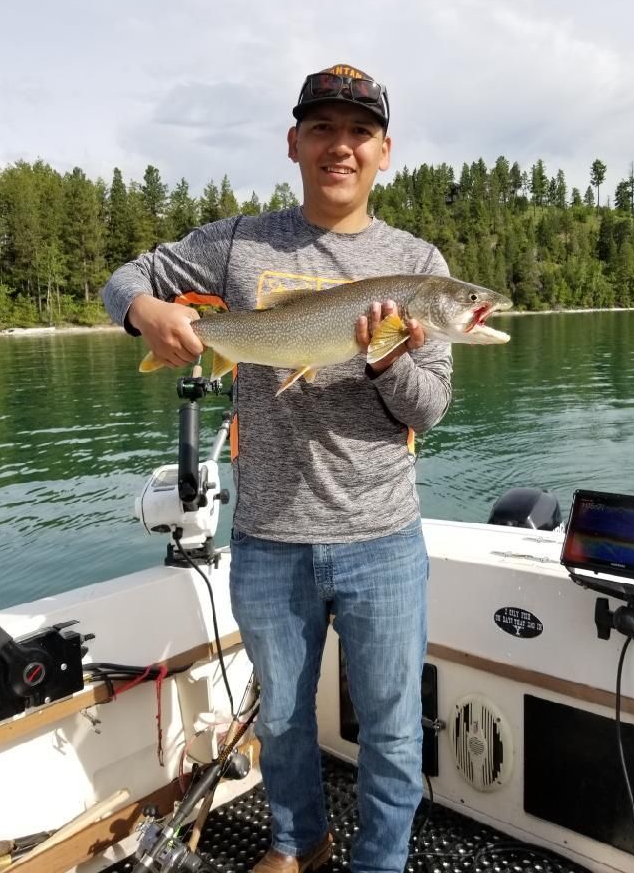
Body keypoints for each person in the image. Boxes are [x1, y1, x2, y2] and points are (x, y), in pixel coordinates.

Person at [102, 63, 452, 873]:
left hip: (383, 539)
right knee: (285, 719)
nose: (341, 147)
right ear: (294, 143)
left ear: (384, 151)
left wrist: (383, 359)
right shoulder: (237, 244)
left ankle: (380, 860)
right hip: (267, 535)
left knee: (395, 727)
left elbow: (427, 409)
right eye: (323, 129)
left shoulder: (416, 262)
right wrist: (147, 311)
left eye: (359, 132)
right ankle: (300, 843)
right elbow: (124, 279)